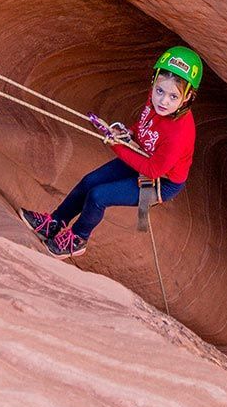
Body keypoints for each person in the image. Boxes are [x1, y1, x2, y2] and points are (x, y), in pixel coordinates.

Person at [19, 46, 202, 258]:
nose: (163, 101)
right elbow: (143, 125)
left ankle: (78, 238)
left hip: (162, 180)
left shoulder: (180, 134)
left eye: (173, 96)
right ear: (153, 83)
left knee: (99, 196)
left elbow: (153, 171)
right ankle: (54, 222)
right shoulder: (154, 101)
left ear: (187, 97)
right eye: (159, 91)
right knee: (89, 181)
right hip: (143, 154)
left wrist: (117, 145)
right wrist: (127, 133)